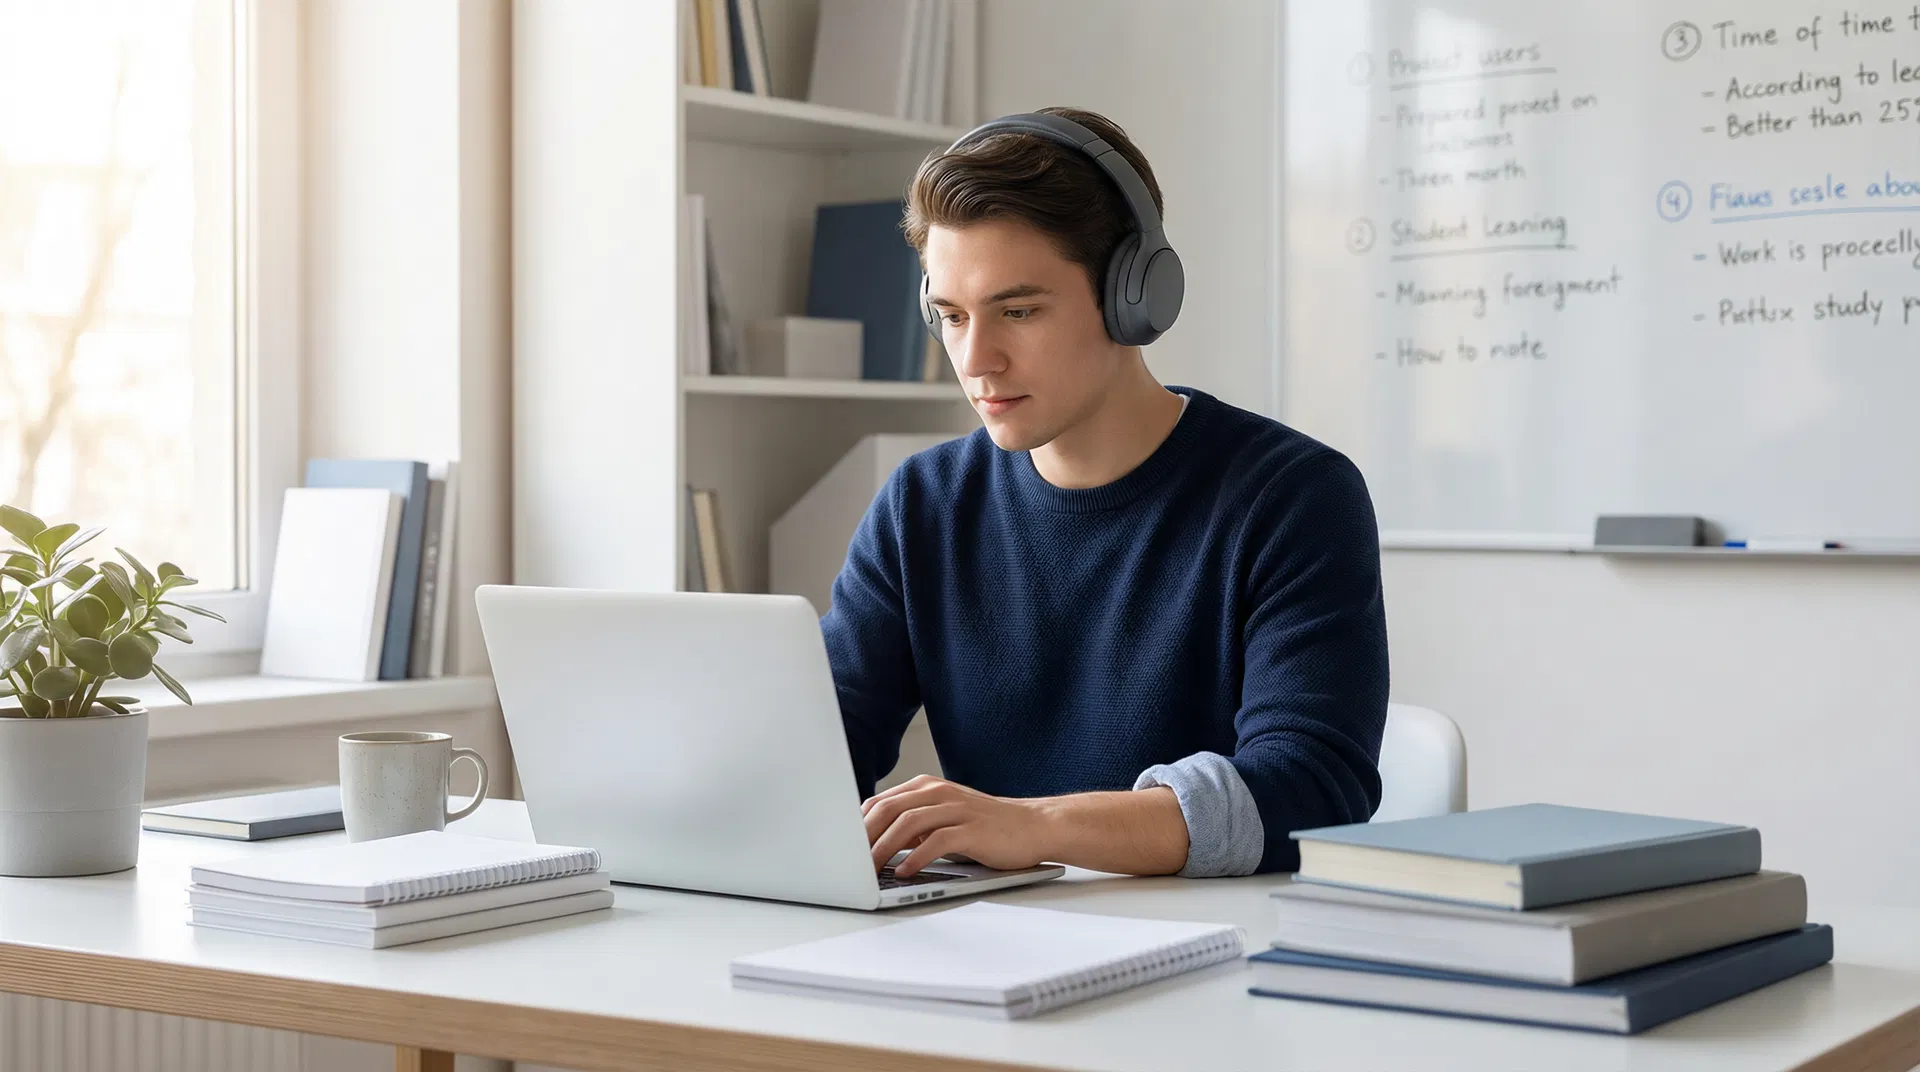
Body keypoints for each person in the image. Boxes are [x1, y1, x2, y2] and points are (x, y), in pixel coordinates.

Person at [821, 106, 1388, 880]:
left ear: (1134, 296)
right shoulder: (924, 505)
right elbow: (818, 749)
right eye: (950, 316)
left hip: (1210, 967)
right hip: (979, 954)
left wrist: (1038, 825)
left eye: (1017, 311)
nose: (976, 358)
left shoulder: (1292, 497)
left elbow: (1314, 788)